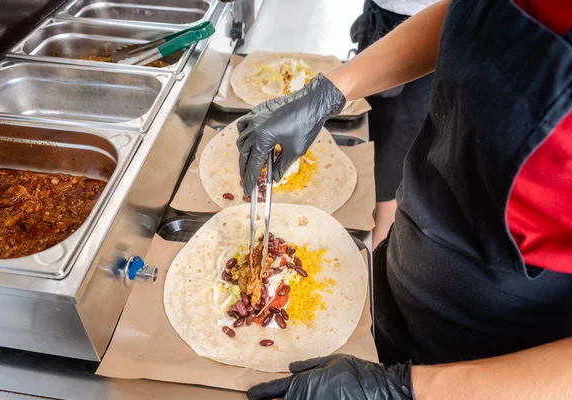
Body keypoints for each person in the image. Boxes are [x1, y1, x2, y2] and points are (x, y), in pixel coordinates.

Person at [237, 0, 572, 398]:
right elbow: (476, 16)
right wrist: (330, 90)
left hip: (499, 366)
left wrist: (407, 390)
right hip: (400, 279)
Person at [351, 0, 439, 249]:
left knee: (398, 137)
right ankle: (371, 210)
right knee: (372, 123)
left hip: (428, 21)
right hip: (381, 13)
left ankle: (384, 228)